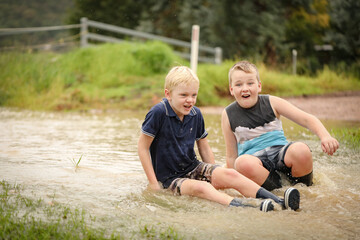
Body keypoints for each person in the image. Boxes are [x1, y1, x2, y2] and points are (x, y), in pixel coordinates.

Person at [138, 65, 301, 212]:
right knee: (202, 188)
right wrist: (153, 183)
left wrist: (215, 172)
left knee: (231, 174)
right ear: (168, 94)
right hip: (168, 178)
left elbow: (204, 147)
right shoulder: (158, 113)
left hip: (192, 167)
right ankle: (252, 206)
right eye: (184, 95)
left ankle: (279, 201)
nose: (190, 100)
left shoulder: (195, 114)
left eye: (194, 95)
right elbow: (143, 148)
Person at [221, 60, 339, 191]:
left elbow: (306, 119)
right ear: (231, 90)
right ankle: (280, 191)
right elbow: (231, 156)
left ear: (259, 86)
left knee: (301, 149)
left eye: (250, 83)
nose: (245, 88)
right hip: (255, 163)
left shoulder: (272, 102)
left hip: (280, 154)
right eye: (238, 84)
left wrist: (325, 136)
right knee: (241, 163)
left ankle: (306, 190)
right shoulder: (228, 114)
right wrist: (233, 183)